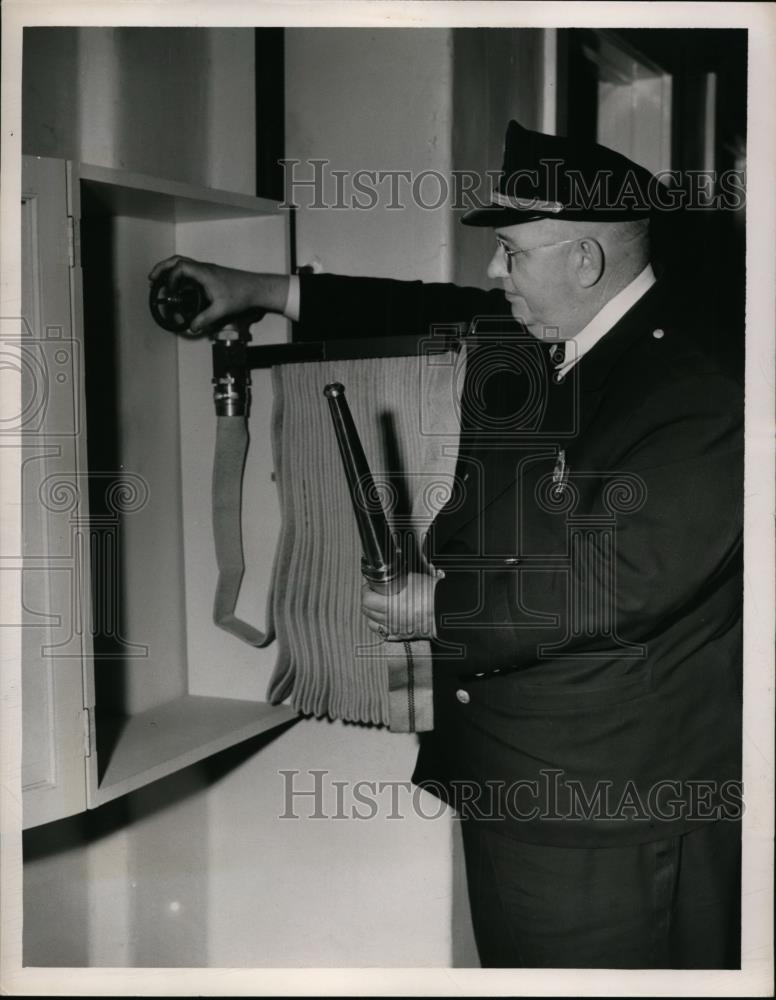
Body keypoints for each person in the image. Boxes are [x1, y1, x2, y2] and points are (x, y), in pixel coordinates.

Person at [149, 120, 743, 969]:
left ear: (584, 260)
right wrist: (255, 288)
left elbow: (616, 582)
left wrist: (437, 605)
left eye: (511, 252)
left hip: (605, 811)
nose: (494, 272)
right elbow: (415, 306)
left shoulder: (699, 388)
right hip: (522, 783)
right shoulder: (550, 341)